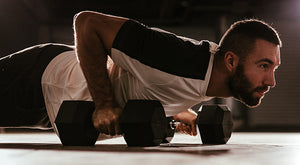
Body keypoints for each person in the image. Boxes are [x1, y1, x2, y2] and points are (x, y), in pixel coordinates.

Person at [0, 11, 282, 137]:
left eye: (273, 69)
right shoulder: (175, 57)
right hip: (39, 79)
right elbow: (87, 23)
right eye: (263, 66)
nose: (271, 81)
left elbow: (149, 80)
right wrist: (104, 104)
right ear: (231, 61)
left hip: (55, 104)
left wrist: (175, 109)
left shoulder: (206, 74)